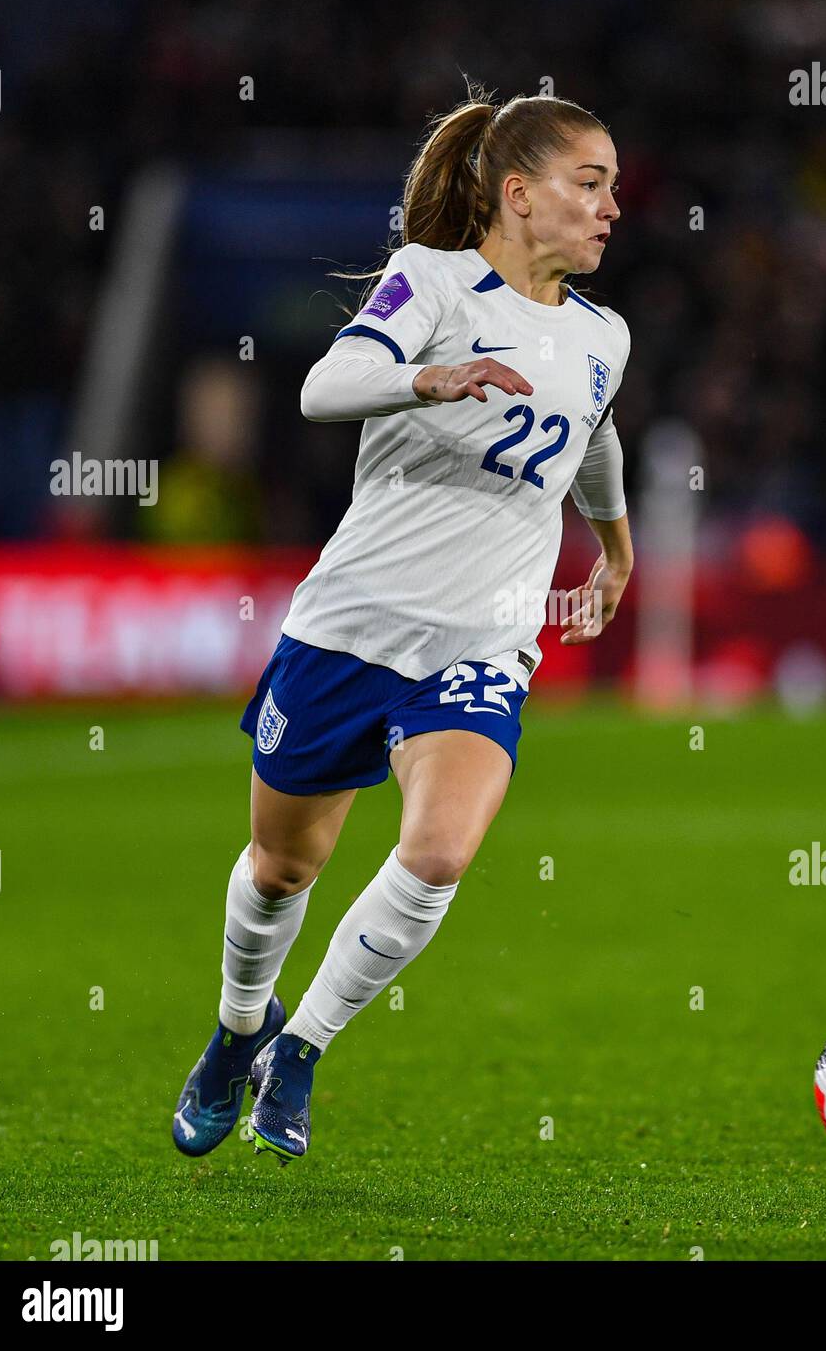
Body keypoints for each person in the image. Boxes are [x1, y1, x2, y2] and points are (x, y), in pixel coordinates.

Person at [172, 90, 633, 1166]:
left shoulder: (605, 335)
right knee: (284, 867)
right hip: (350, 625)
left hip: (483, 641)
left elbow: (594, 436)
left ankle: (303, 1048)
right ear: (517, 195)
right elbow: (324, 388)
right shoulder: (433, 281)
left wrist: (614, 549)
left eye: (613, 185)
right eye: (591, 182)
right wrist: (431, 377)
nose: (613, 207)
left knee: (437, 851)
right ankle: (237, 1034)